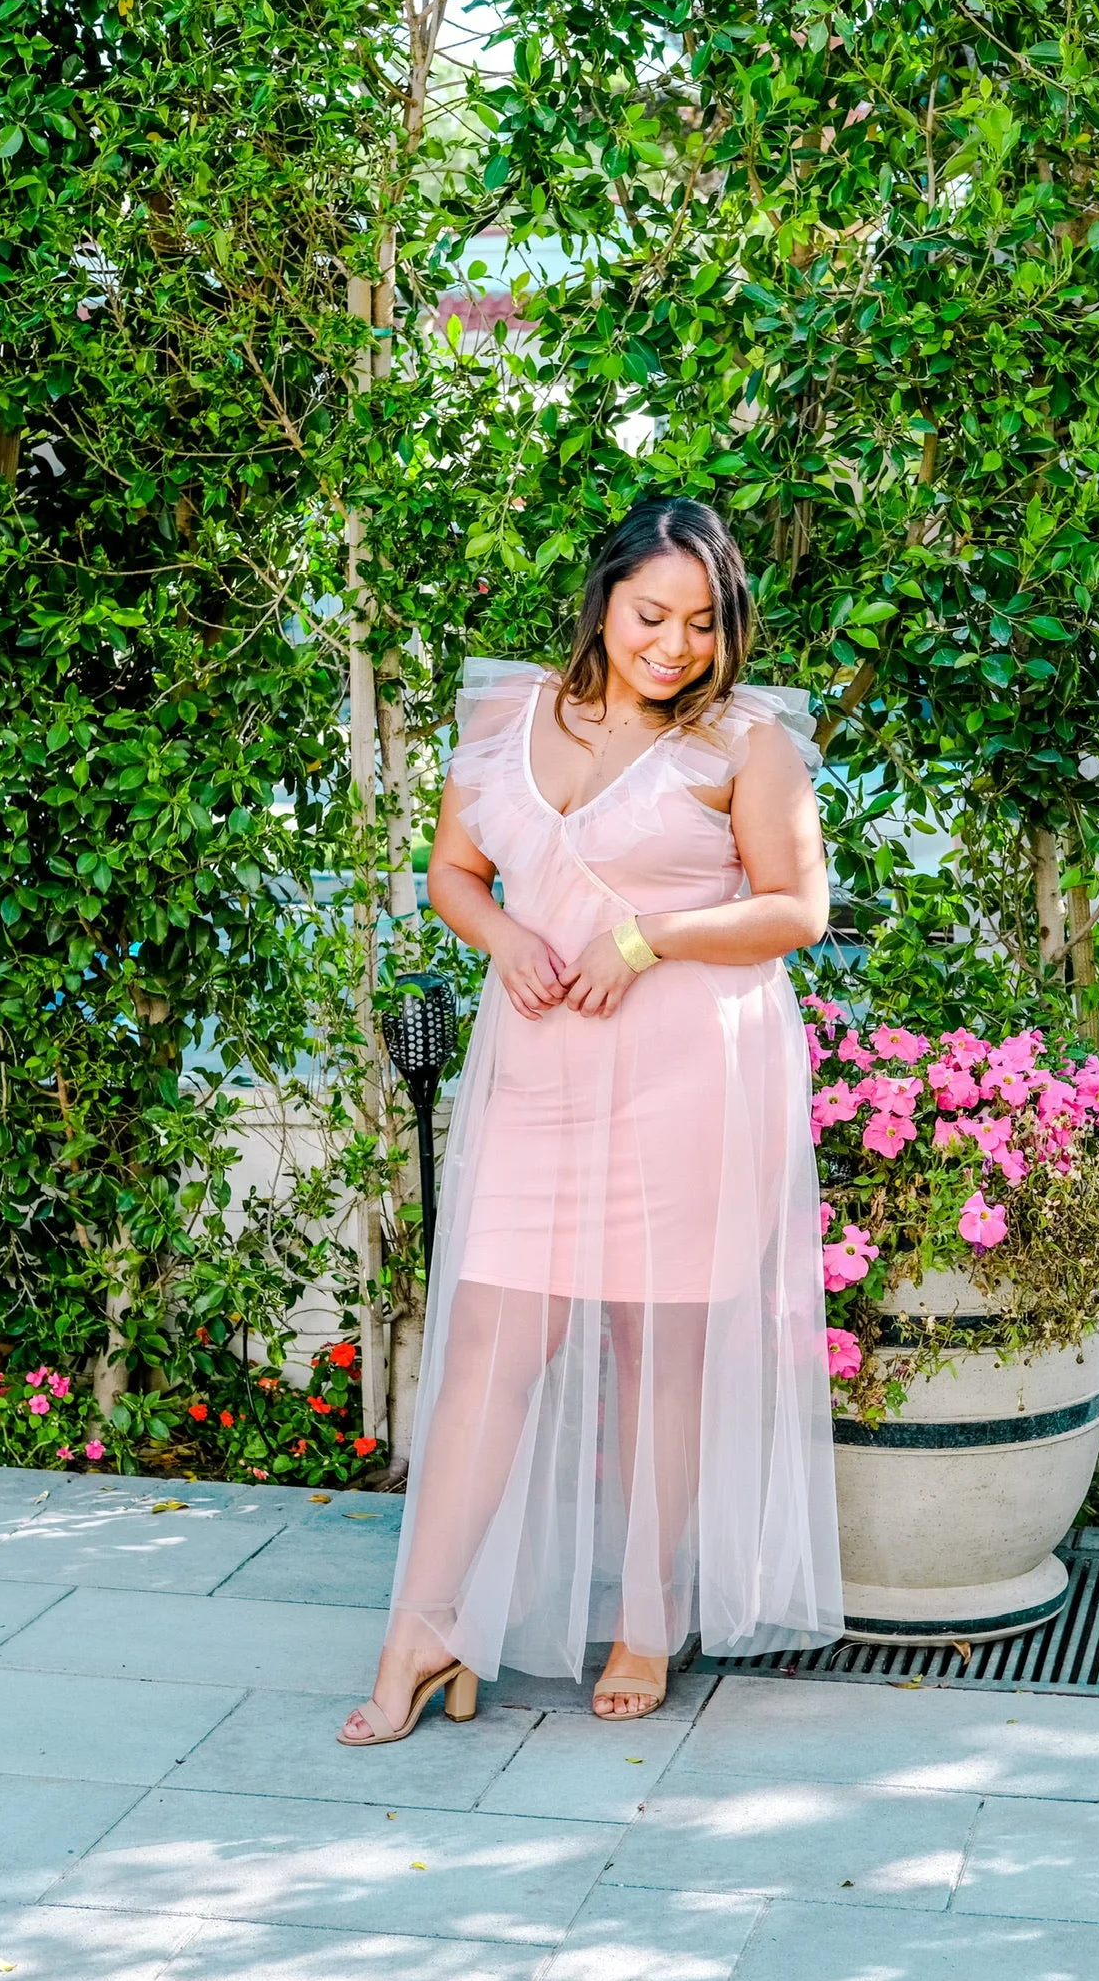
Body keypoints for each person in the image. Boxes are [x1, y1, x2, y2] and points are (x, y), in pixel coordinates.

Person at [338, 496, 843, 1743]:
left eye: (701, 622)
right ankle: (425, 1629)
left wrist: (647, 934)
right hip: (544, 1070)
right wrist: (504, 931)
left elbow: (796, 909)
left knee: (655, 1358)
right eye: (649, 615)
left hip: (686, 1070)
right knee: (492, 1353)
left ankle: (646, 1622)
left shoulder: (746, 741)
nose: (673, 645)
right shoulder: (508, 719)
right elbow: (456, 872)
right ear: (603, 600)